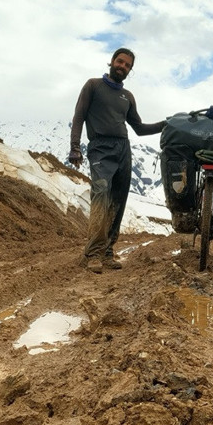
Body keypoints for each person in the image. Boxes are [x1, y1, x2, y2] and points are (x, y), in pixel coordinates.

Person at [69, 48, 166, 273]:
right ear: (112, 61)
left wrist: (165, 124)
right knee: (101, 195)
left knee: (118, 201)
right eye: (120, 62)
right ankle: (93, 253)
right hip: (100, 148)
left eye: (127, 65)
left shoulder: (128, 97)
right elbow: (79, 116)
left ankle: (107, 252)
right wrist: (75, 147)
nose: (123, 66)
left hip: (123, 149)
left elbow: (139, 128)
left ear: (130, 70)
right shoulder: (93, 85)